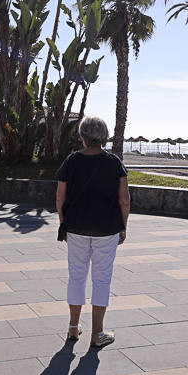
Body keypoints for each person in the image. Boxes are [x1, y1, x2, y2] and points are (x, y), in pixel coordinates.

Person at [56, 116, 129, 349]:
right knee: (102, 279)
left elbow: (60, 198)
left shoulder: (71, 161)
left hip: (76, 227)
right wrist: (123, 225)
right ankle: (97, 333)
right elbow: (124, 199)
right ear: (104, 135)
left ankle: (73, 327)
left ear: (83, 135)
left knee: (76, 276)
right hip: (106, 229)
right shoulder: (114, 162)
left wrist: (64, 223)